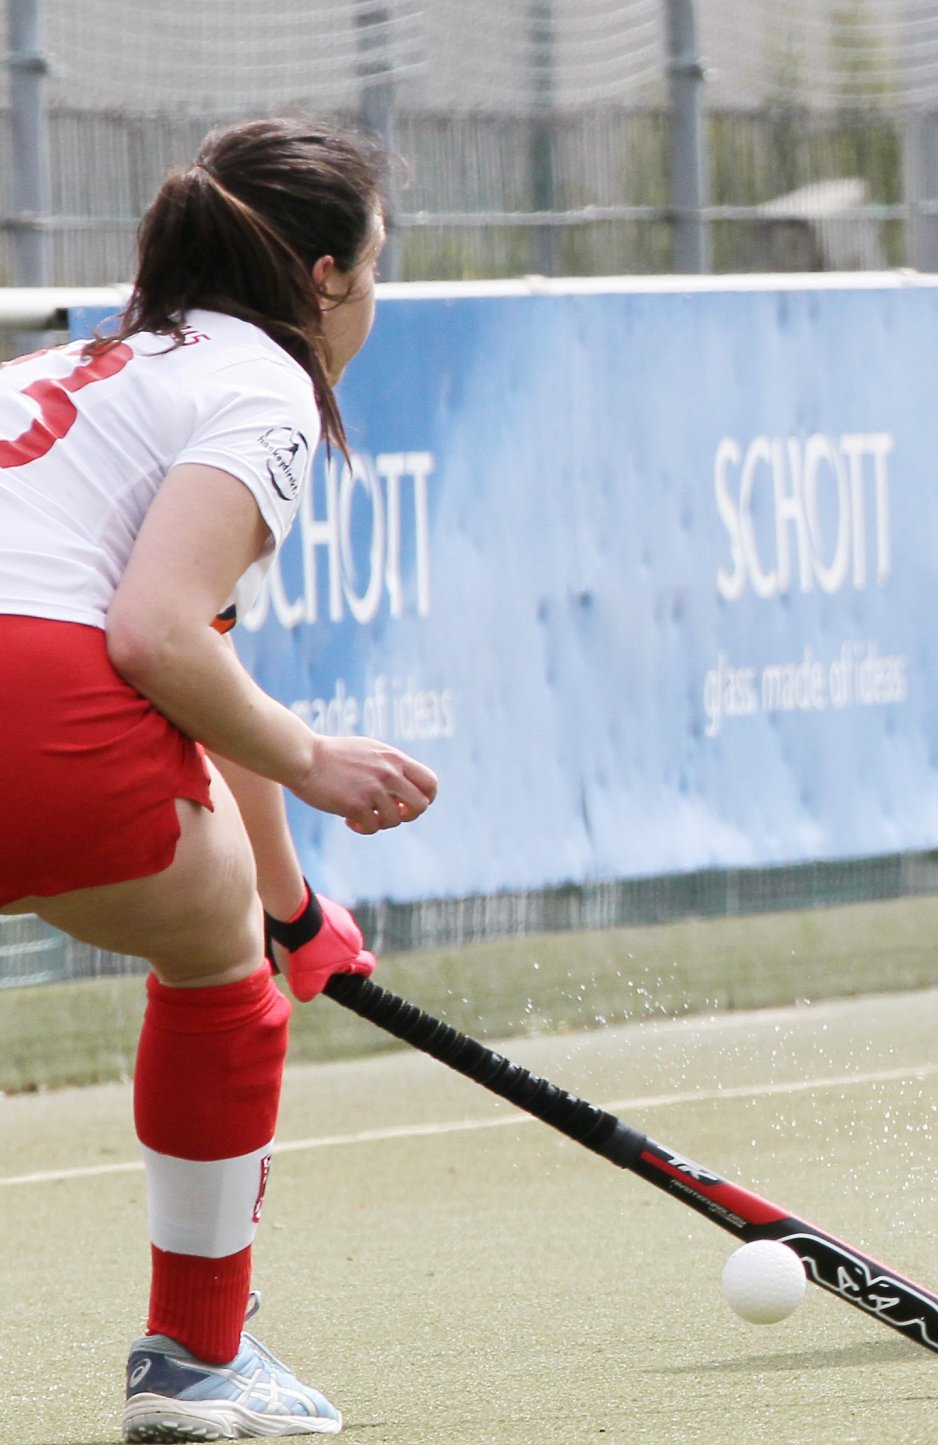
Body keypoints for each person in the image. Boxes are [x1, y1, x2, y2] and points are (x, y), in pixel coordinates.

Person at [0, 118, 438, 1440]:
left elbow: (199, 665)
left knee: (232, 929)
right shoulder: (261, 387)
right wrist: (319, 759)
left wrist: (296, 909)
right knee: (218, 982)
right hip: (30, 696)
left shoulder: (87, 364)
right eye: (375, 265)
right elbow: (155, 638)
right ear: (323, 280)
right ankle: (197, 1359)